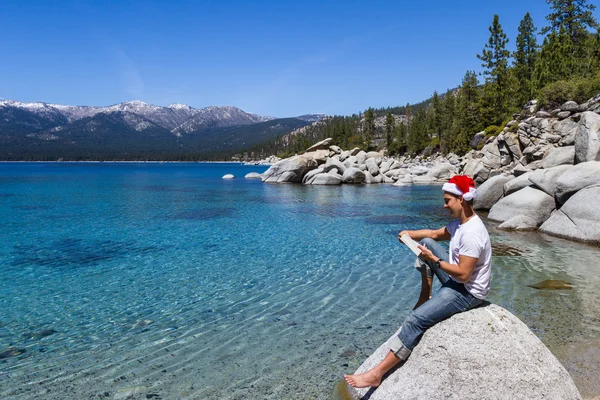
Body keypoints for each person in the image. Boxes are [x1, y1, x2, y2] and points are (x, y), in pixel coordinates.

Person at [344, 174, 492, 389]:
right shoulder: (461, 224)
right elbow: (433, 233)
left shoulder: (472, 233)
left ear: (461, 199)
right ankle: (427, 295)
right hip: (457, 281)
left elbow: (463, 275)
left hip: (467, 292)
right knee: (426, 242)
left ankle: (377, 373)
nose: (444, 205)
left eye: (447, 200)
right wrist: (408, 234)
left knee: (415, 321)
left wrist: (435, 260)